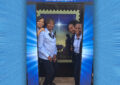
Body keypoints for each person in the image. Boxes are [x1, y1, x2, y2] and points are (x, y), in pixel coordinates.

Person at [38, 18, 57, 85]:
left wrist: (55, 54)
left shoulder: (52, 33)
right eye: (49, 23)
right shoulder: (43, 33)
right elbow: (40, 47)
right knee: (50, 72)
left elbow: (54, 45)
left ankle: (49, 83)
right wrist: (48, 56)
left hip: (52, 57)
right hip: (45, 57)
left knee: (54, 72)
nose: (51, 25)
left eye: (52, 24)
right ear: (46, 24)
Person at [71, 21, 83, 85]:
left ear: (82, 29)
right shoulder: (73, 37)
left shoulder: (84, 38)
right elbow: (72, 46)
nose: (78, 29)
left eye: (79, 28)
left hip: (81, 57)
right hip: (74, 57)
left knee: (77, 73)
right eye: (76, 28)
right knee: (76, 73)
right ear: (74, 29)